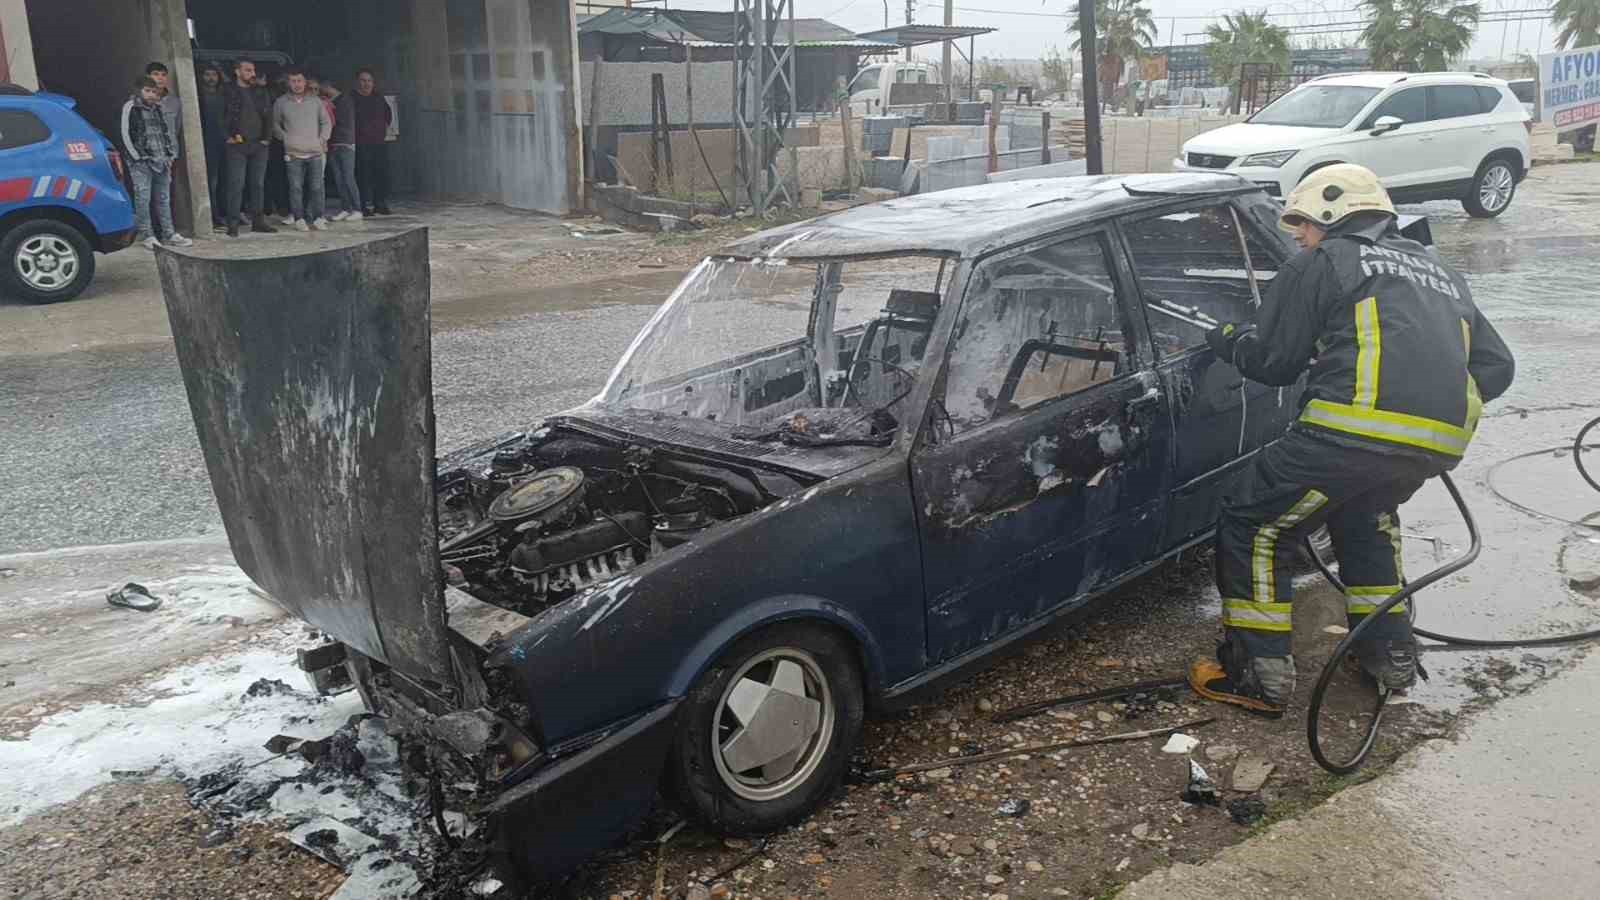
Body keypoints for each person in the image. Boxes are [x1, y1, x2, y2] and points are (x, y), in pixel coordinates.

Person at [1191, 164, 1515, 715]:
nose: (1297, 235)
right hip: (1433, 444)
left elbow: (1274, 361)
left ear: (1330, 215)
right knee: (1364, 520)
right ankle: (1390, 655)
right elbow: (1498, 367)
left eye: (1303, 224)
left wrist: (1228, 341)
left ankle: (1258, 673)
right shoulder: (1436, 269)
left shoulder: (1325, 261)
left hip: (1346, 431)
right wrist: (1421, 399)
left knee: (1256, 523)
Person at [120, 76, 191, 249]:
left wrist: (169, 155)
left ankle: (169, 233)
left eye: (154, 91)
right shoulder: (131, 107)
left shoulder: (158, 108)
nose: (151, 95)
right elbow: (125, 133)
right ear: (139, 91)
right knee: (143, 199)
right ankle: (147, 235)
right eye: (147, 91)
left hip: (162, 161)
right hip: (141, 163)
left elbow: (165, 132)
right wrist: (137, 157)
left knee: (163, 199)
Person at [222, 60, 277, 237]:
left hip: (259, 144)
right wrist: (227, 137)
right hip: (237, 144)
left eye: (253, 70)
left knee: (258, 184)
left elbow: (269, 116)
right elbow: (219, 116)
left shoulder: (261, 91)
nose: (252, 73)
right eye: (247, 70)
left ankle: (258, 222)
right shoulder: (227, 90)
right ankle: (233, 224)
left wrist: (267, 139)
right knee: (236, 184)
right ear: (237, 72)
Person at [273, 67, 332, 231]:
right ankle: (299, 218)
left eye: (299, 81)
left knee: (317, 187)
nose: (297, 84)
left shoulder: (316, 101)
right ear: (288, 83)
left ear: (305, 82)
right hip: (293, 153)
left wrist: (322, 139)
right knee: (295, 187)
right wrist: (285, 138)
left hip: (315, 152)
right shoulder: (281, 102)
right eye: (293, 81)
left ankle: (319, 217)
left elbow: (326, 122)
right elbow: (275, 124)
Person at [352, 68, 393, 216]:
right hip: (360, 143)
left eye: (369, 81)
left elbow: (388, 115)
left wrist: (381, 130)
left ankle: (380, 204)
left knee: (380, 174)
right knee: (362, 175)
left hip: (379, 143)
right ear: (357, 82)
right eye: (363, 80)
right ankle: (362, 206)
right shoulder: (352, 98)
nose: (366, 84)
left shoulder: (378, 97)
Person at [322, 78, 362, 221]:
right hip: (333, 144)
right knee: (339, 178)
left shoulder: (344, 100)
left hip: (345, 143)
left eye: (323, 87)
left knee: (348, 177)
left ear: (328, 86)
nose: (322, 90)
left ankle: (357, 209)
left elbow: (339, 121)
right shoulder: (332, 101)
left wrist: (327, 109)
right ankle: (346, 208)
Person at [198, 63, 228, 228]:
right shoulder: (198, 95)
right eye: (207, 74)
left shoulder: (224, 94)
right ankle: (214, 216)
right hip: (207, 143)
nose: (211, 78)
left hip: (225, 142)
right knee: (212, 182)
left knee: (226, 180)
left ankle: (225, 213)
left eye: (214, 75)